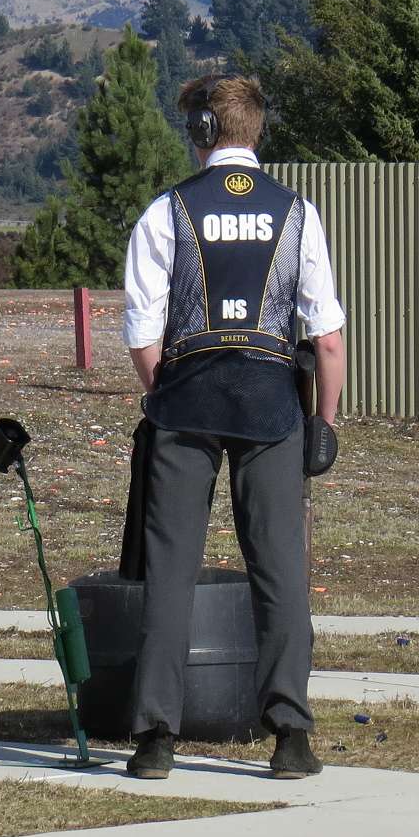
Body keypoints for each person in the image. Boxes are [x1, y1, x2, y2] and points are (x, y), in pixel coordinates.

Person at [120, 74, 345, 779]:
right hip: (271, 402)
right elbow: (327, 337)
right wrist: (324, 423)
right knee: (279, 569)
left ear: (204, 132)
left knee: (170, 571)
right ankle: (290, 735)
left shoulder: (168, 212)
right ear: (258, 130)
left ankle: (156, 738)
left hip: (186, 402)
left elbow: (143, 332)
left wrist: (166, 394)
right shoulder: (297, 213)